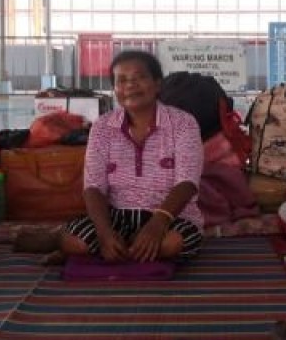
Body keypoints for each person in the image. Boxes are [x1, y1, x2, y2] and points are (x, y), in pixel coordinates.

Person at [61, 50, 205, 262]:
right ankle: (120, 247)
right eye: (122, 80)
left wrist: (157, 225)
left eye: (139, 77)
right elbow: (93, 187)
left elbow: (187, 182)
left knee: (170, 244)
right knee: (73, 241)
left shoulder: (184, 123)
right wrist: (104, 233)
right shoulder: (102, 127)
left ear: (157, 84)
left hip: (171, 216)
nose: (130, 85)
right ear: (115, 89)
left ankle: (117, 251)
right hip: (117, 216)